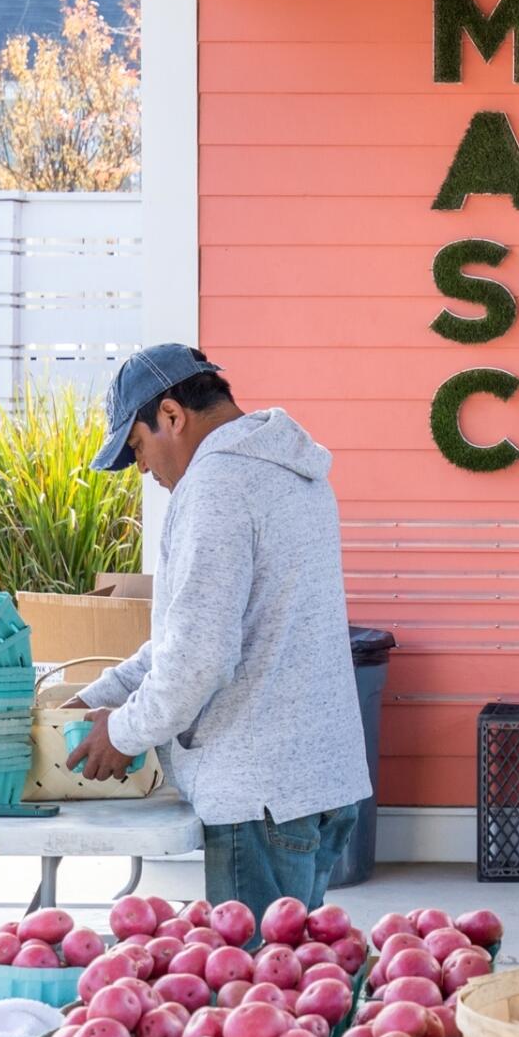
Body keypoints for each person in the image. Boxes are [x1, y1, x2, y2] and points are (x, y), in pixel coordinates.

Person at [65, 344, 372, 910]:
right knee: (298, 984)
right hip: (321, 783)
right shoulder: (293, 470)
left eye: (137, 445)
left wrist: (122, 733)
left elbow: (199, 658)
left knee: (252, 990)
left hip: (258, 798)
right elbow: (193, 635)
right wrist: (97, 697)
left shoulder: (216, 486)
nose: (141, 467)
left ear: (173, 416)